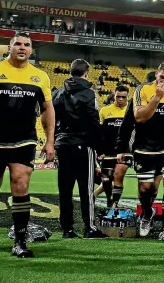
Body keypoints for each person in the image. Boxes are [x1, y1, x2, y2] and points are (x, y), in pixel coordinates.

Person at [0, 32, 56, 257]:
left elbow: (47, 109)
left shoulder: (40, 77)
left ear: (31, 49)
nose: (22, 47)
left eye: (27, 45)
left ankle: (20, 241)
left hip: (24, 139)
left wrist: (49, 141)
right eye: (18, 43)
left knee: (20, 183)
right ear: (10, 46)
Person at [127, 61, 164, 242]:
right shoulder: (142, 90)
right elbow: (139, 117)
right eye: (162, 78)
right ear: (156, 75)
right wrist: (157, 98)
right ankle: (146, 213)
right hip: (145, 147)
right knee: (146, 189)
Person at [53, 59, 107, 239]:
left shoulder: (57, 93)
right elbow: (93, 121)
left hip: (62, 144)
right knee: (86, 189)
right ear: (86, 72)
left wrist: (54, 142)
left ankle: (67, 229)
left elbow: (51, 121)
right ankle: (89, 227)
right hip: (83, 145)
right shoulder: (89, 93)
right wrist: (99, 147)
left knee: (65, 189)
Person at [94, 86, 130, 209]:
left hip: (125, 151)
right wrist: (100, 150)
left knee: (118, 175)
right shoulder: (105, 111)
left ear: (128, 97)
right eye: (118, 97)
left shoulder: (131, 111)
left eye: (123, 97)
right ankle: (109, 200)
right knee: (106, 180)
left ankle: (114, 203)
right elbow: (100, 133)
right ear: (114, 96)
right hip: (107, 151)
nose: (120, 99)